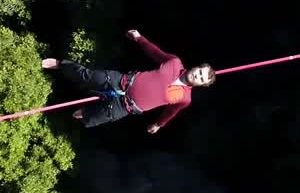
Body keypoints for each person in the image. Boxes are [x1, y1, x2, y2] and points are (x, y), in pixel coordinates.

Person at [42, 29, 215, 133]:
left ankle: (83, 109)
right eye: (200, 72)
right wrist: (139, 38)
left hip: (126, 106)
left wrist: (158, 125)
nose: (197, 76)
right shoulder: (174, 63)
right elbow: (155, 52)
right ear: (196, 67)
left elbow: (170, 113)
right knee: (88, 76)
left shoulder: (185, 99)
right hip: (123, 81)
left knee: (86, 117)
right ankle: (60, 65)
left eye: (201, 78)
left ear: (202, 85)